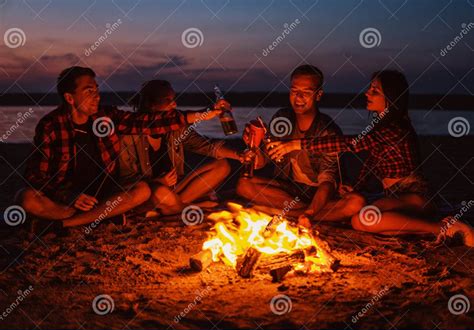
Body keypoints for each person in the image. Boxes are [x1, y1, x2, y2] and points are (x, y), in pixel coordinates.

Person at [267, 70, 474, 246]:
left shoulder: (395, 128)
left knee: (362, 220)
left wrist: (296, 144)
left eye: (375, 91)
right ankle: (425, 229)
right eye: (370, 88)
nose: (367, 93)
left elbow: (351, 144)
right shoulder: (381, 127)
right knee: (360, 216)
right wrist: (355, 188)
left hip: (416, 195)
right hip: (395, 196)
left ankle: (443, 228)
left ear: (390, 98)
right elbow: (370, 163)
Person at [19, 66, 215, 232]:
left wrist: (201, 115)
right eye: (89, 91)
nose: (96, 96)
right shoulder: (51, 125)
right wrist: (69, 195)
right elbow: (35, 175)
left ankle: (68, 223)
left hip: (106, 196)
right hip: (67, 199)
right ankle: (97, 219)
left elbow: (146, 122)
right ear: (70, 98)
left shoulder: (108, 116)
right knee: (26, 198)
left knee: (142, 190)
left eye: (96, 90)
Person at [236, 64, 365, 220]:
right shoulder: (282, 119)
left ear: (318, 95)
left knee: (355, 202)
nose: (298, 97)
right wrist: (253, 144)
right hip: (288, 191)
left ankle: (292, 213)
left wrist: (311, 210)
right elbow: (262, 161)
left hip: (319, 195)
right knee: (244, 184)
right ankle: (301, 214)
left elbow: (328, 182)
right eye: (294, 91)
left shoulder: (327, 131)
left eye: (306, 92)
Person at [119, 80, 247, 215]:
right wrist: (157, 181)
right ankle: (186, 208)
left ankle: (176, 206)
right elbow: (126, 179)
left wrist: (239, 155)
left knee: (222, 165)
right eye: (167, 100)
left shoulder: (176, 129)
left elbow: (207, 146)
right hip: (149, 193)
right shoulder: (129, 133)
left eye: (173, 99)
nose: (174, 104)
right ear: (151, 104)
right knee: (161, 192)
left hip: (176, 189)